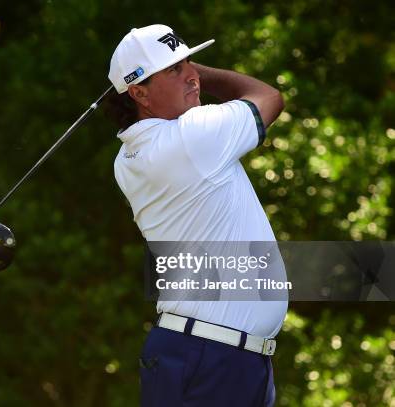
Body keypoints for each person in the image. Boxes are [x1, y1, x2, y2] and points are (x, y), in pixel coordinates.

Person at [107, 25, 287, 406]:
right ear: (138, 92)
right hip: (212, 358)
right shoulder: (194, 136)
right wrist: (203, 72)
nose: (192, 75)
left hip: (218, 355)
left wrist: (177, 68)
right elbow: (268, 97)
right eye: (174, 69)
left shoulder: (127, 158)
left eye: (190, 62)